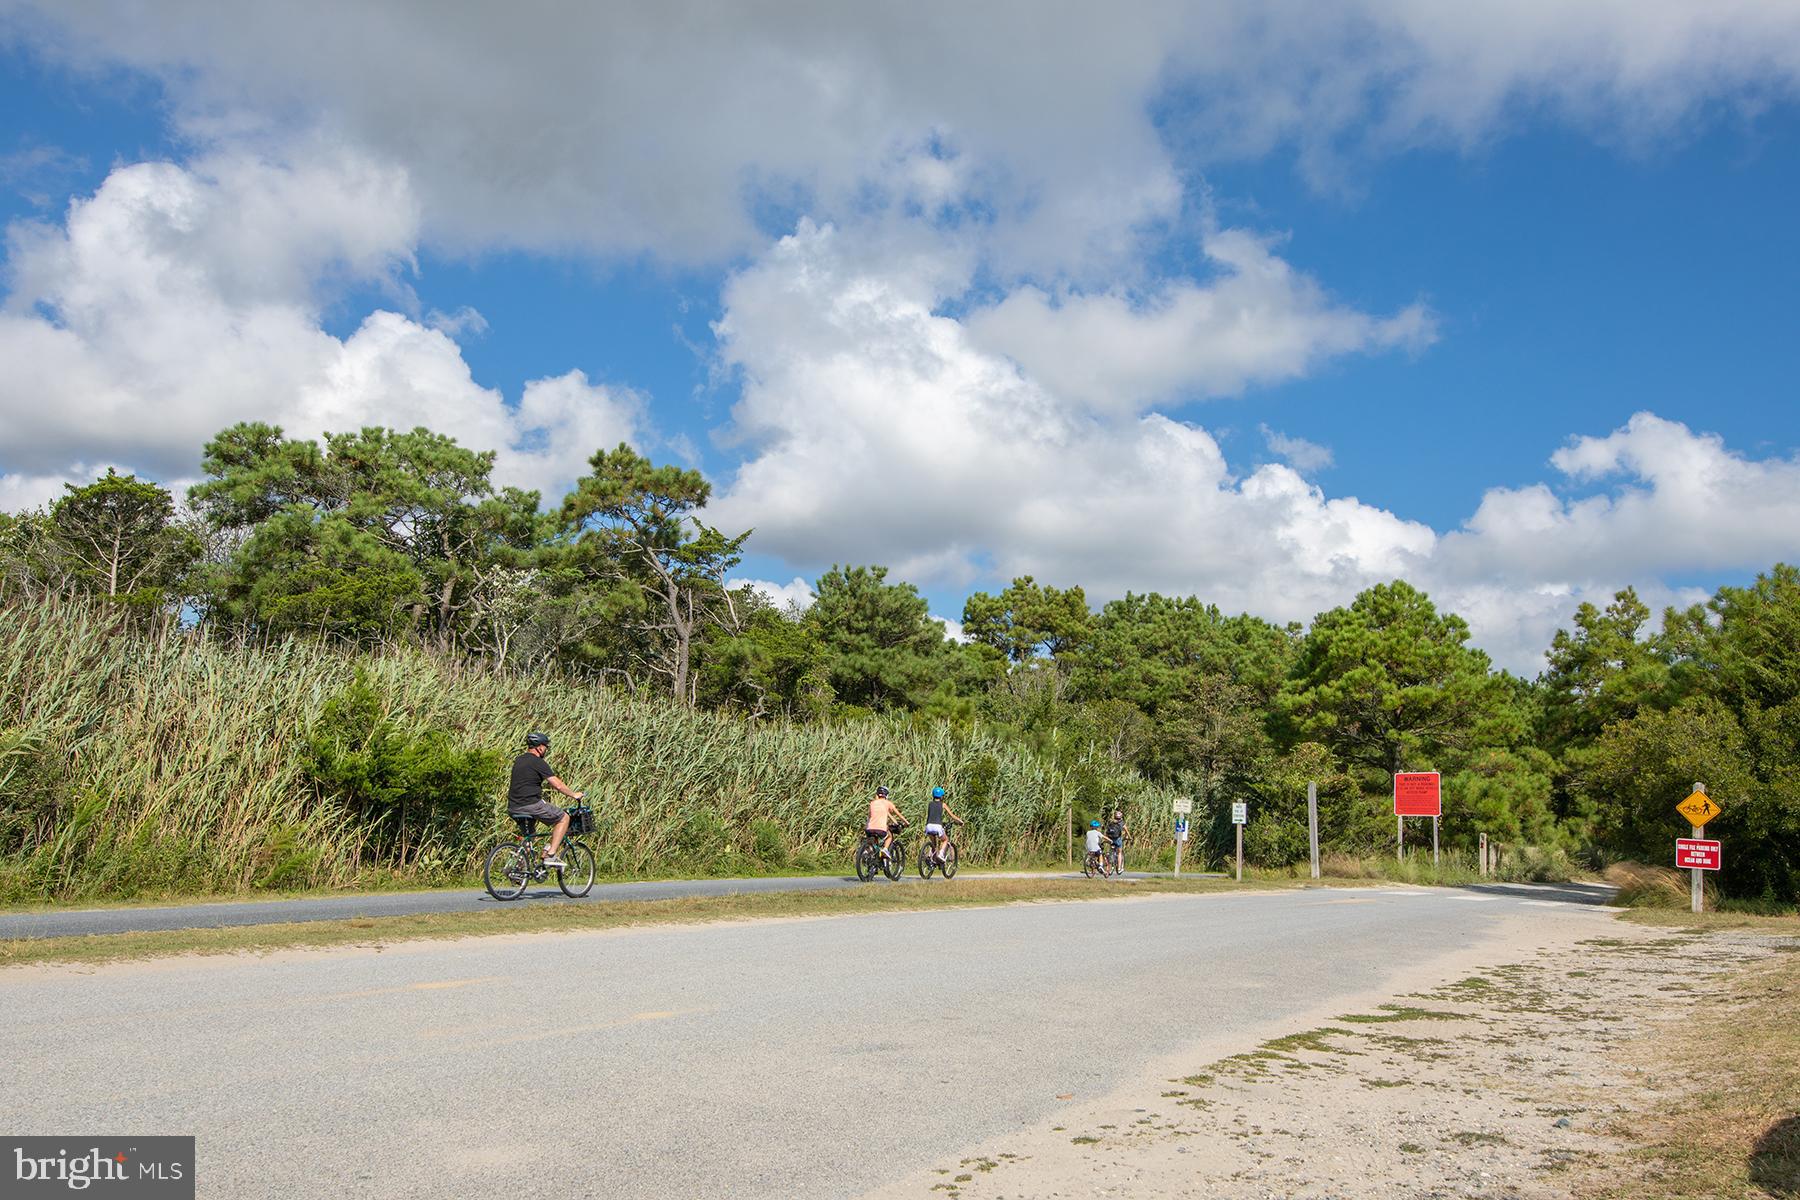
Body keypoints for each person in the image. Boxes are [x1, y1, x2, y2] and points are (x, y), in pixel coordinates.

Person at [508, 731, 584, 868]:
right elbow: (557, 785)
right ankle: (551, 855)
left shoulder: (519, 760)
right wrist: (574, 794)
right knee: (563, 818)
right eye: (546, 747)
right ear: (540, 747)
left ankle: (518, 870)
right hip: (531, 805)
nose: (546, 750)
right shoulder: (538, 762)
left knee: (529, 837)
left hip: (514, 807)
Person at [922, 785, 963, 865]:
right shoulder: (943, 805)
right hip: (937, 826)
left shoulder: (930, 804)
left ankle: (930, 857)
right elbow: (952, 816)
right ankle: (940, 855)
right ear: (941, 796)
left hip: (928, 826)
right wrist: (960, 821)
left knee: (933, 844)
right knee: (945, 840)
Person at [866, 784, 907, 860]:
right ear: (886, 795)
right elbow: (898, 815)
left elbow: (869, 816)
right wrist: (906, 822)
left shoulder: (872, 803)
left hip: (869, 829)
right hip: (880, 829)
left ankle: (872, 856)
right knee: (889, 836)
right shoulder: (887, 803)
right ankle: (885, 849)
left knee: (875, 843)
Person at [1105, 808, 1127, 875]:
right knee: (1120, 852)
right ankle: (1119, 868)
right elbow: (1126, 830)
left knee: (1111, 852)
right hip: (1117, 839)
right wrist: (1128, 836)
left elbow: (1107, 831)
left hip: (1110, 839)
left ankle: (1110, 868)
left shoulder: (1111, 822)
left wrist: (1106, 838)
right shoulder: (1122, 822)